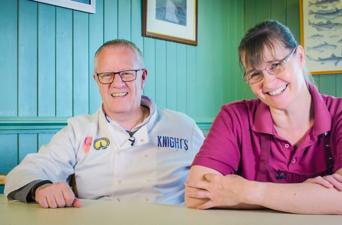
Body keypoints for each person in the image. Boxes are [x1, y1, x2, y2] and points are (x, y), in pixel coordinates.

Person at [185, 20, 342, 215]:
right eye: (255, 74)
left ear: (300, 56)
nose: (268, 83)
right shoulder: (233, 117)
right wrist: (310, 196)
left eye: (276, 65)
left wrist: (243, 191)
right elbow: (196, 195)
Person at [4, 39, 204, 208]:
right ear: (96, 80)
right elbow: (22, 173)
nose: (117, 83)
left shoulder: (183, 126)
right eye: (107, 75)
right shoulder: (78, 131)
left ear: (142, 77)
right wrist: (42, 188)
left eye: (127, 73)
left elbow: (221, 175)